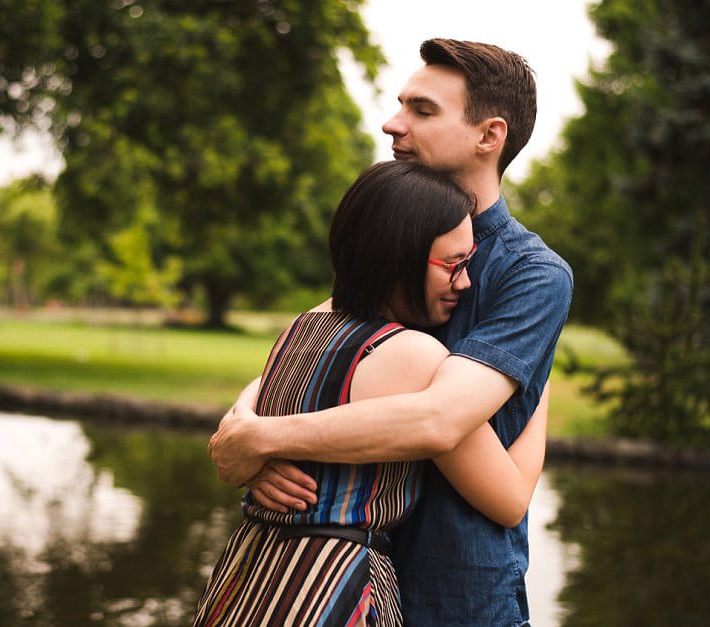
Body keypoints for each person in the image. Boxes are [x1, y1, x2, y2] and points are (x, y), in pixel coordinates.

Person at [209, 39, 573, 625]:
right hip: (333, 576)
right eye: (401, 105)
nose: (391, 123)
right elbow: (319, 346)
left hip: (452, 589)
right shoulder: (399, 237)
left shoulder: (531, 274)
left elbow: (439, 420)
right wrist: (247, 432)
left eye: (422, 111)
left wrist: (266, 437)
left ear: (489, 135)